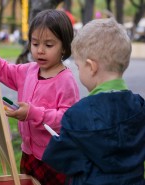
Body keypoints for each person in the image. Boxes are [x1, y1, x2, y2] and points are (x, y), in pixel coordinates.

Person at [42, 18, 145, 185]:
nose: (78, 71)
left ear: (91, 67)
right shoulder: (140, 107)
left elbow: (60, 160)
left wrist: (57, 143)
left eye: (78, 66)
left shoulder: (77, 116)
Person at [0, 9, 80, 185]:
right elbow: (2, 70)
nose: (40, 51)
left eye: (48, 45)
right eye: (35, 43)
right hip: (28, 153)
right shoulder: (28, 70)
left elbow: (67, 119)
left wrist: (32, 113)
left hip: (54, 158)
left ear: (64, 46)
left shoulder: (66, 80)